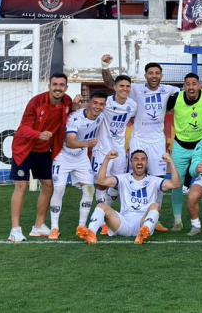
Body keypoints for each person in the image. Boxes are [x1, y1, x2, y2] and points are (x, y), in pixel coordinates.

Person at [101, 55, 180, 232]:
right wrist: (105, 66)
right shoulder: (135, 88)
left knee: (158, 181)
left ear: (161, 75)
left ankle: (154, 218)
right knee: (128, 179)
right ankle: (113, 216)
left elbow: (192, 91)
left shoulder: (169, 89)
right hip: (139, 140)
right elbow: (110, 83)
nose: (154, 76)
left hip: (157, 142)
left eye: (157, 73)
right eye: (150, 73)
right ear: (145, 76)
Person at [8, 73, 74, 243]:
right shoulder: (36, 102)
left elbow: (73, 111)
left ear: (66, 88)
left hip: (44, 151)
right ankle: (15, 229)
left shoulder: (67, 101)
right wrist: (38, 135)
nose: (57, 88)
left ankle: (38, 226)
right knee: (21, 185)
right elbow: (23, 129)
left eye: (61, 85)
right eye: (54, 84)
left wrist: (79, 103)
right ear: (49, 86)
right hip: (24, 149)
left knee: (48, 185)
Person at [78, 149, 183, 245]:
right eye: (136, 159)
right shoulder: (123, 178)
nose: (139, 162)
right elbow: (101, 181)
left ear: (146, 164)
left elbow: (176, 184)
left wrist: (170, 162)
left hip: (143, 222)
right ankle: (91, 233)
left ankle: (143, 234)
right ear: (131, 163)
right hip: (123, 223)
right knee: (101, 205)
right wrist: (107, 159)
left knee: (155, 206)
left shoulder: (154, 180)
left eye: (143, 160)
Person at [169, 73, 202, 233]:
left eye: (194, 84)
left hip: (201, 147)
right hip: (180, 146)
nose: (191, 87)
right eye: (188, 84)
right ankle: (177, 221)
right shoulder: (175, 98)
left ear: (199, 85)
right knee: (176, 184)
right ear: (184, 86)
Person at [48, 92, 105, 240]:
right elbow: (70, 141)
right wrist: (87, 144)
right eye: (95, 103)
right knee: (59, 188)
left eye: (101, 104)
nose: (98, 107)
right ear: (90, 103)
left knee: (89, 189)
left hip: (81, 157)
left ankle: (81, 225)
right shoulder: (75, 118)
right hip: (63, 155)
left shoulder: (101, 116)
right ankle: (54, 228)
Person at [92, 74, 138, 214]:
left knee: (118, 183)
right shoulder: (106, 103)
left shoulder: (132, 105)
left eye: (127, 86)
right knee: (101, 183)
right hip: (102, 148)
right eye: (121, 86)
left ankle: (105, 211)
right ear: (115, 87)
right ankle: (99, 215)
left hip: (119, 149)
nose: (125, 89)